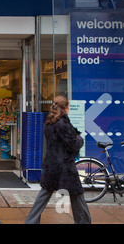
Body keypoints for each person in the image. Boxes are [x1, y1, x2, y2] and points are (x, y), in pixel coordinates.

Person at [25, 95, 91, 224]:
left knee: (44, 195)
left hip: (52, 164)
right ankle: (83, 221)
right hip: (65, 166)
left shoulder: (49, 122)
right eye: (69, 107)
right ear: (66, 108)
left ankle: (31, 221)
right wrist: (80, 139)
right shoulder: (63, 124)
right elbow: (73, 144)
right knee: (77, 195)